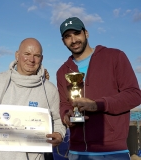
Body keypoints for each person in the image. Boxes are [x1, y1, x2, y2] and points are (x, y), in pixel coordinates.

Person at [56, 17, 141, 160]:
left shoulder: (115, 57)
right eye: (67, 36)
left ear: (86, 33)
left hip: (112, 151)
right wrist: (66, 115)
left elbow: (134, 94)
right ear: (63, 41)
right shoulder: (62, 71)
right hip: (76, 152)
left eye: (77, 33)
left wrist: (98, 105)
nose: (74, 39)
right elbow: (64, 103)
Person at [0, 38, 66, 160]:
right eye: (27, 54)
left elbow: (58, 119)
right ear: (17, 55)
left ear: (42, 59)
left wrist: (59, 133)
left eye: (37, 55)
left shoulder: (50, 90)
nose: (31, 59)